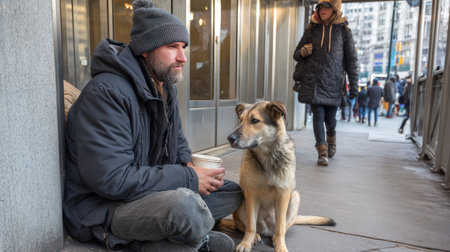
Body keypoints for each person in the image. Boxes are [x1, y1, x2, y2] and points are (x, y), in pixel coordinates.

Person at [63, 1, 242, 251]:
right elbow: (112, 180)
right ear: (146, 50)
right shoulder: (107, 93)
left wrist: (189, 166)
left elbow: (178, 141)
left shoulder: (164, 86)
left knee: (231, 192)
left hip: (146, 192)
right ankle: (197, 240)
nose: (183, 57)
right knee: (185, 205)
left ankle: (168, 236)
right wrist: (189, 179)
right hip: (103, 208)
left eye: (183, 47)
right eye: (172, 47)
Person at [293, 0, 359, 166]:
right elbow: (296, 54)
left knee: (330, 119)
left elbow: (351, 61)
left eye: (326, 7)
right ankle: (322, 151)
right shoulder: (312, 29)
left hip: (334, 83)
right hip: (314, 81)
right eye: (320, 7)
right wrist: (303, 51)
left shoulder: (344, 31)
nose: (322, 10)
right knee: (318, 115)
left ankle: (331, 139)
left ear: (335, 9)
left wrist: (354, 86)